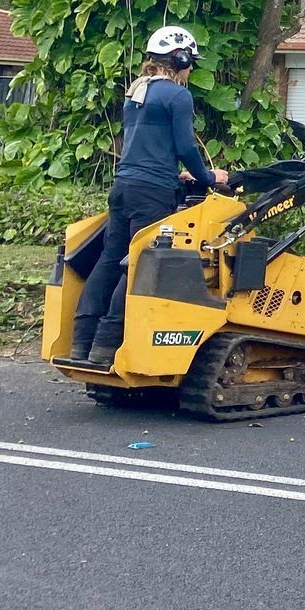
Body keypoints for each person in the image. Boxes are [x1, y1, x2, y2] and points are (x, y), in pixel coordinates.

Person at [67, 26, 229, 370]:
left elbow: (147, 144)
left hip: (124, 186)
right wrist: (207, 176)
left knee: (111, 259)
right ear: (180, 59)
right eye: (190, 63)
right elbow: (186, 146)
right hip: (152, 193)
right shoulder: (177, 96)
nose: (190, 70)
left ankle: (82, 342)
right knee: (138, 264)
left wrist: (174, 172)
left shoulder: (136, 91)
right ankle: (107, 344)